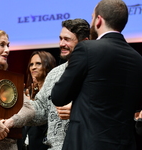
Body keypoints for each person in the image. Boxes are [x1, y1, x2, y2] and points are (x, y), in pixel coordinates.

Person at [51, 0, 142, 150]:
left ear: (99, 20)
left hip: (87, 143)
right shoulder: (138, 59)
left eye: (92, 17)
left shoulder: (87, 49)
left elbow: (59, 96)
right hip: (124, 144)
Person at [4, 18, 90, 150]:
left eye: (67, 39)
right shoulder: (54, 74)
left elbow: (109, 110)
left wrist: (78, 110)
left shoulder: (95, 72)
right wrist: (13, 105)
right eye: (60, 38)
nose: (61, 44)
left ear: (84, 42)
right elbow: (40, 110)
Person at [23, 51, 56, 150]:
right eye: (31, 64)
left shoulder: (55, 92)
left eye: (38, 63)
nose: (33, 67)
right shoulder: (29, 92)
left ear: (48, 65)